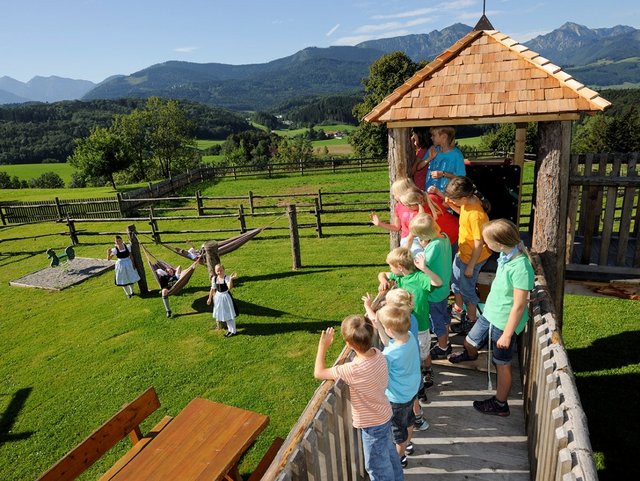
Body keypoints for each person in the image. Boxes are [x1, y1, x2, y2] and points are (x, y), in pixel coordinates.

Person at [449, 219, 534, 417]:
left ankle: (500, 404)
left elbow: (520, 305)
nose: (486, 245)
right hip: (489, 313)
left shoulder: (520, 267)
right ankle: (471, 354)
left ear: (499, 243)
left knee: (501, 363)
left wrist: (507, 334)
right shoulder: (507, 255)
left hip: (503, 323)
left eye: (488, 242)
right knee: (470, 342)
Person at [314, 315, 404, 481]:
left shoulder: (352, 370)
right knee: (390, 457)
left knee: (377, 467)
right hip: (384, 416)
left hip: (372, 426)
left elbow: (319, 372)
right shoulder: (378, 355)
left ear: (348, 343)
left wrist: (322, 346)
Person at [378, 247, 442, 391]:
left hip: (421, 325)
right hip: (404, 327)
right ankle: (415, 371)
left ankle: (427, 369)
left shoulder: (420, 278)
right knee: (411, 352)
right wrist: (383, 280)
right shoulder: (399, 277)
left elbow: (438, 282)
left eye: (391, 266)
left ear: (400, 267)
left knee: (424, 353)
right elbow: (382, 274)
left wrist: (425, 269)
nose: (389, 269)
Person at [372, 304, 420, 469]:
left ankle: (399, 458)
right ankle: (407, 444)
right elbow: (390, 343)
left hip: (397, 399)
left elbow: (384, 364)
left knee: (398, 433)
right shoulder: (410, 338)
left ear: (390, 330)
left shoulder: (389, 355)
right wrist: (379, 325)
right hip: (411, 392)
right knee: (409, 421)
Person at [444, 176, 492, 335]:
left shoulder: (476, 215)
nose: (453, 202)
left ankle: (472, 322)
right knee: (455, 283)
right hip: (463, 252)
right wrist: (452, 205)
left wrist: (471, 266)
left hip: (474, 257)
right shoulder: (467, 203)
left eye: (454, 199)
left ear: (463, 197)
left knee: (467, 291)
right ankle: (458, 309)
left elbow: (479, 244)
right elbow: (462, 212)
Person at [408, 213, 453, 366]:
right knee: (444, 317)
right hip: (445, 287)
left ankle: (442, 347)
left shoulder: (433, 246)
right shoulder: (444, 237)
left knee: (436, 321)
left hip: (435, 292)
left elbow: (421, 264)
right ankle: (445, 341)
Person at [420, 127, 466, 197]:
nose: (431, 138)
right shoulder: (433, 149)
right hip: (429, 193)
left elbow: (461, 179)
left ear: (444, 137)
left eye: (433, 135)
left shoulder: (457, 155)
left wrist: (443, 174)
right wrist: (429, 158)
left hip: (446, 198)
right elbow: (418, 167)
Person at [207, 264, 238, 337]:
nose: (219, 272)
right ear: (215, 271)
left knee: (229, 314)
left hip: (226, 297)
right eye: (217, 271)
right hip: (218, 298)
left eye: (221, 270)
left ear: (223, 270)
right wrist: (209, 298)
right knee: (224, 314)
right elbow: (212, 289)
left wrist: (230, 279)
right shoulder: (214, 278)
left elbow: (229, 287)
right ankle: (229, 330)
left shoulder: (226, 278)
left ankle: (233, 331)